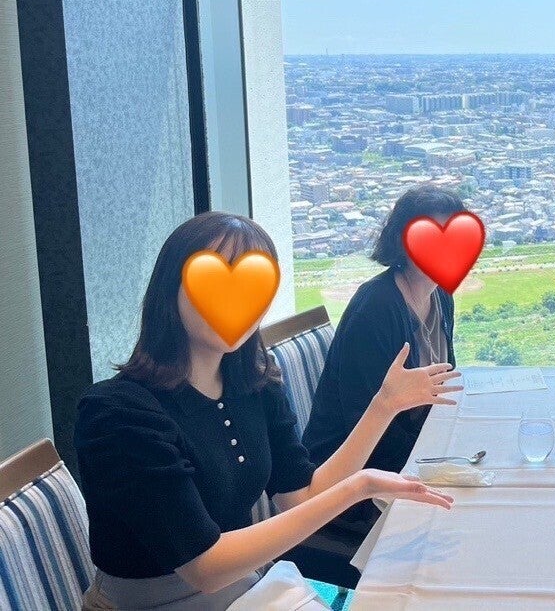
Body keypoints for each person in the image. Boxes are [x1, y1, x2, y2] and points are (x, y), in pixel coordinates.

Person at [74, 212, 462, 610]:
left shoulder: (254, 384)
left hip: (245, 589)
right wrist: (358, 487)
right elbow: (205, 568)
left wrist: (384, 405)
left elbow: (302, 497)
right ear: (170, 289)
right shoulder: (118, 414)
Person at [302, 186, 464, 527]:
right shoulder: (376, 307)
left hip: (409, 458)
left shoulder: (441, 297)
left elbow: (440, 385)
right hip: (348, 480)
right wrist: (434, 467)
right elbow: (363, 420)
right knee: (459, 516)